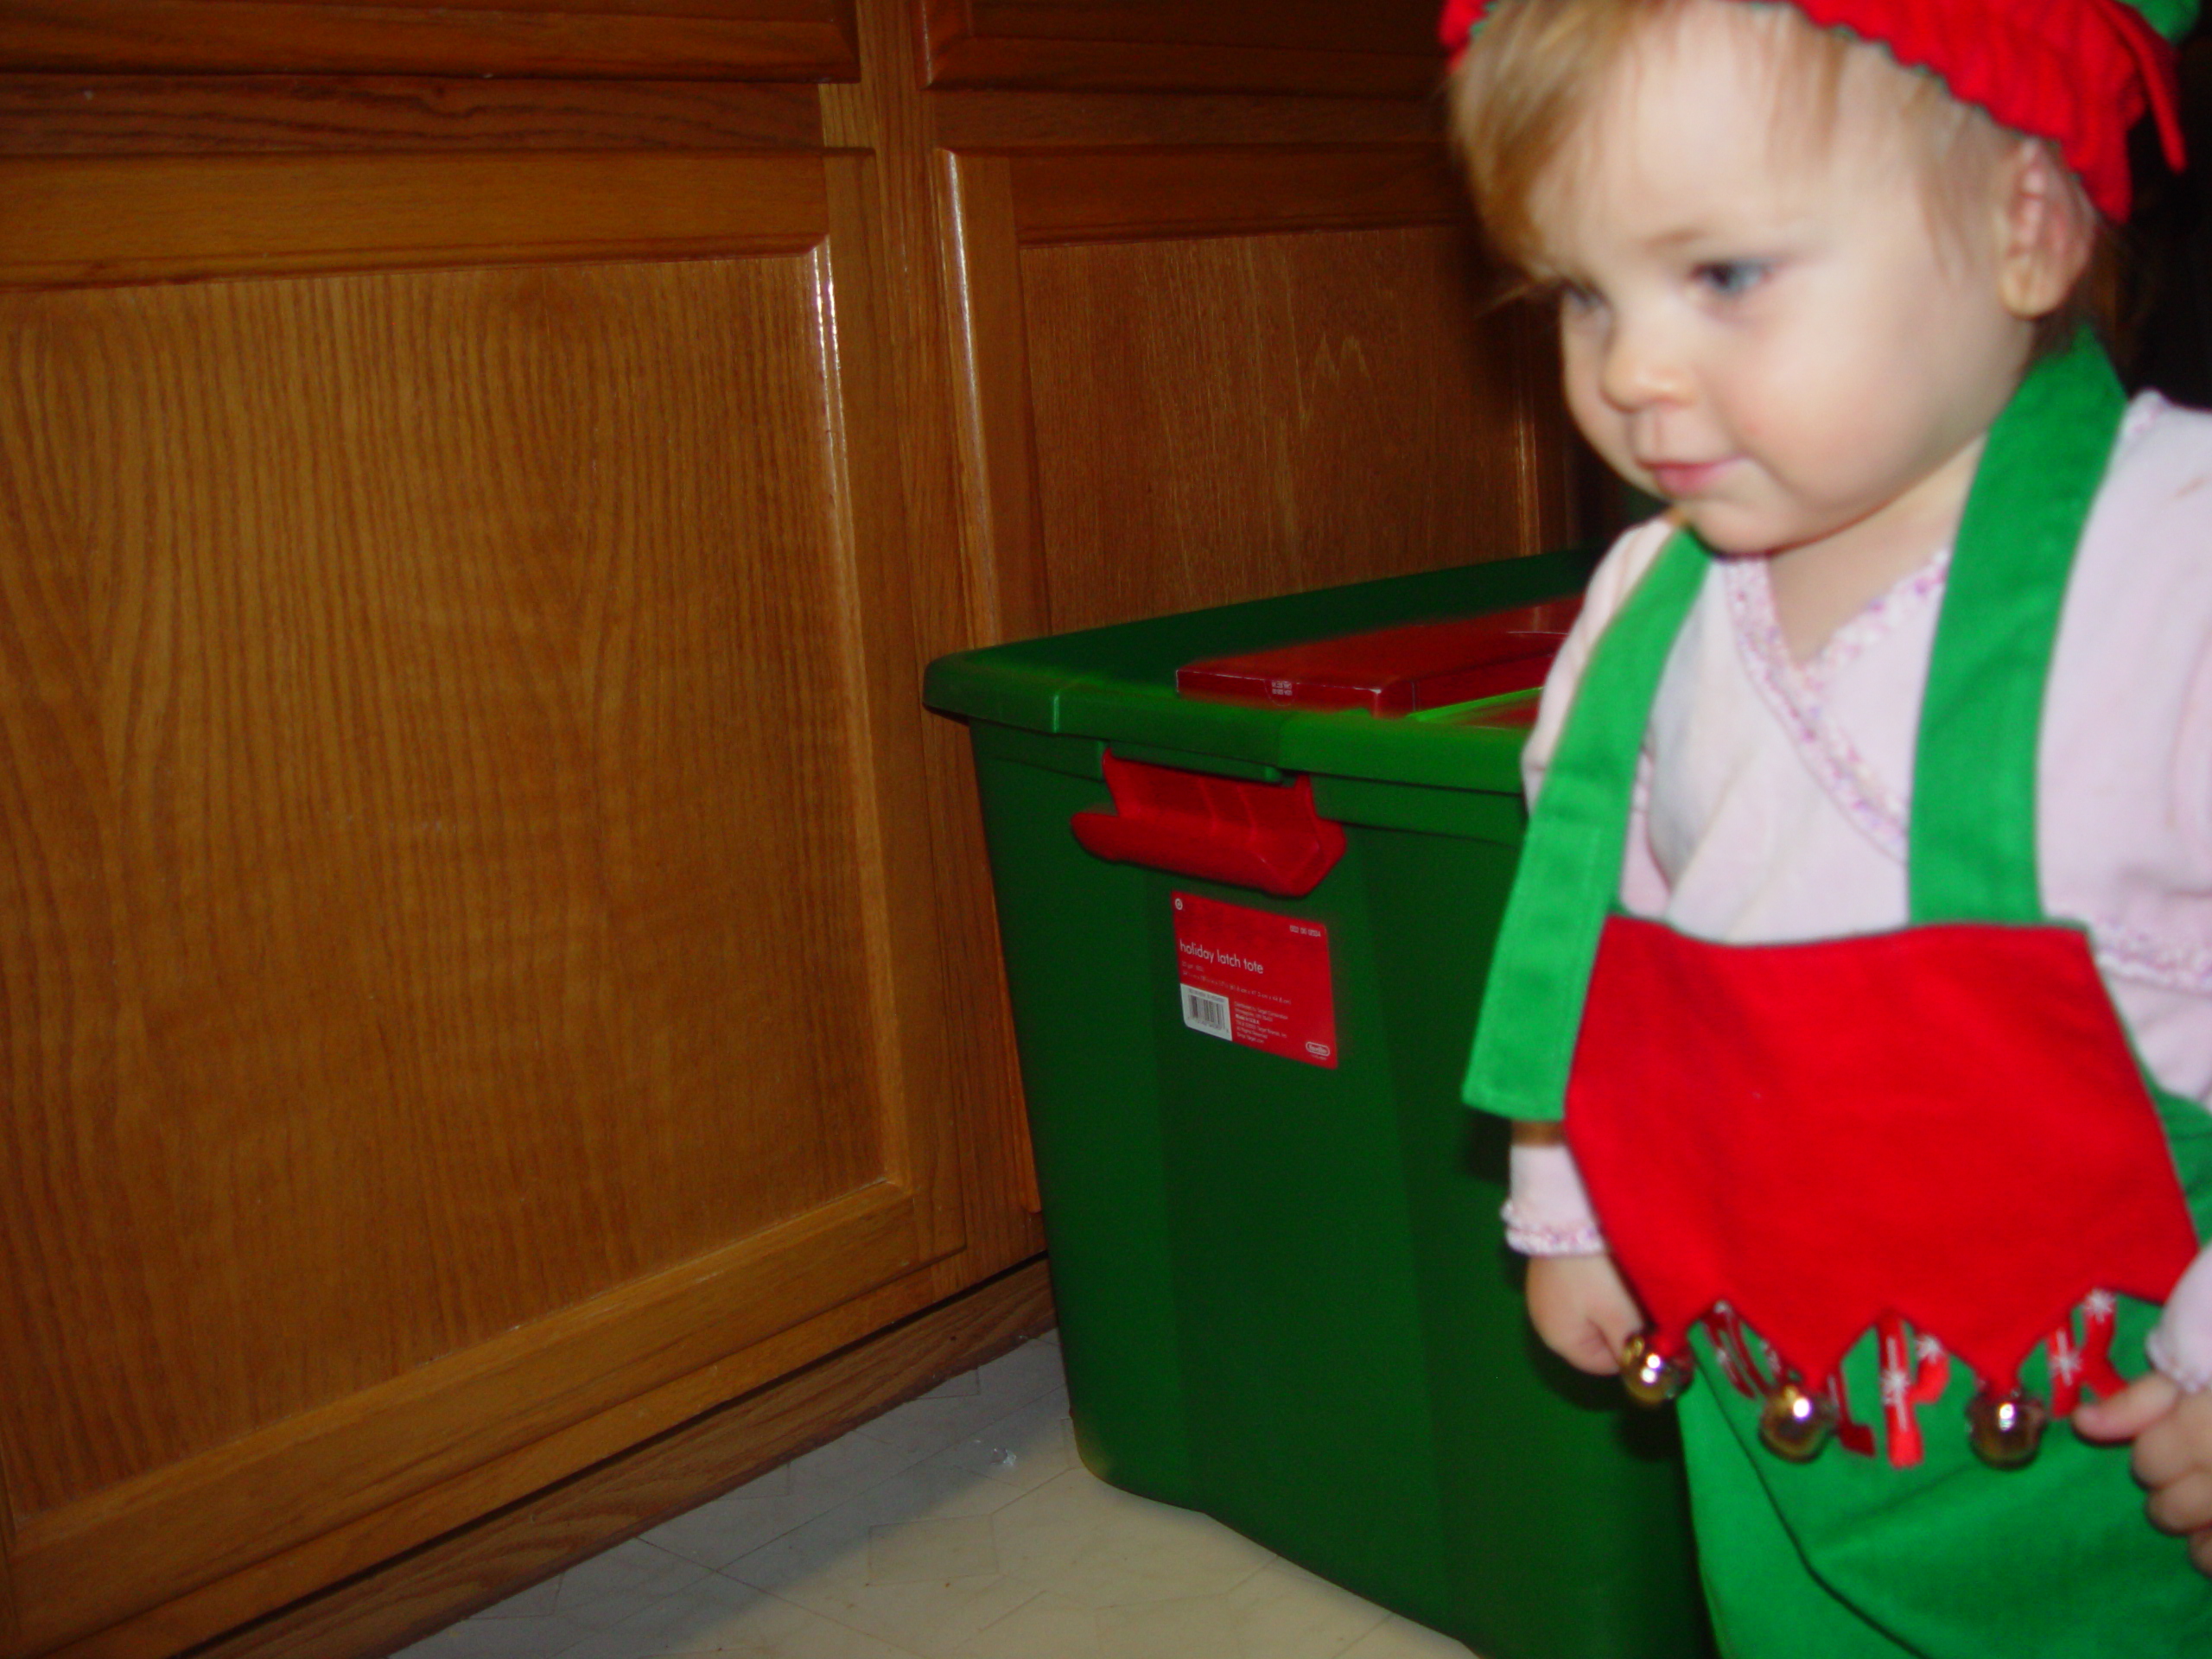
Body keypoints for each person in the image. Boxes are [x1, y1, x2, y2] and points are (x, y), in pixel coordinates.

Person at [1442, 0, 2212, 1649]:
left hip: (2124, 1461)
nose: (1633, 371)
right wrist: (1569, 1198)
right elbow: (1592, 922)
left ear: (2022, 228)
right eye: (1586, 293)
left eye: (1722, 275)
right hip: (1786, 1427)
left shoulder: (2171, 573)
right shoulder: (1652, 601)